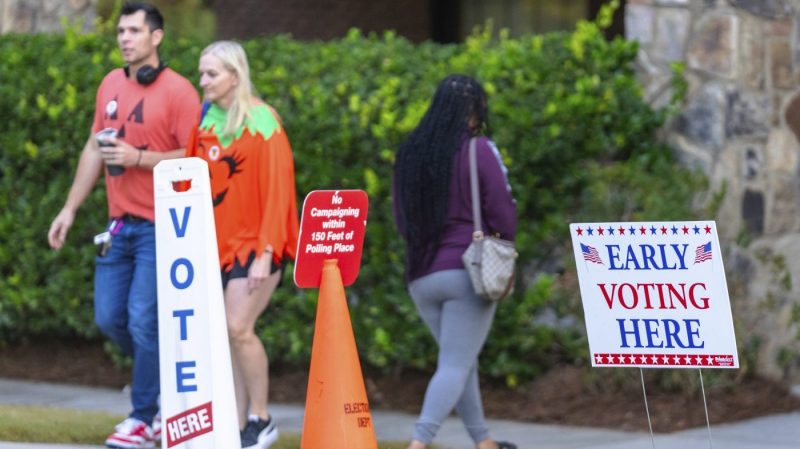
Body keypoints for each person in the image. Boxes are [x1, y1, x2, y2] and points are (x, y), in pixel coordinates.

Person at [46, 3, 200, 448]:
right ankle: (163, 387)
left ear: (157, 37)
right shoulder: (111, 84)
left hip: (161, 227)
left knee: (141, 320)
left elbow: (194, 156)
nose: (125, 37)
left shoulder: (179, 92)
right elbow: (94, 149)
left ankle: (143, 417)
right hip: (117, 227)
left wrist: (140, 159)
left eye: (134, 30)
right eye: (120, 30)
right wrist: (69, 209)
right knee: (109, 318)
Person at [392, 75, 518, 449]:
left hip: (421, 277)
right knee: (454, 365)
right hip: (466, 272)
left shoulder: (411, 153)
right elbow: (503, 213)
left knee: (460, 360)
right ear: (474, 113)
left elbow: (402, 221)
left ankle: (485, 442)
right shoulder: (478, 149)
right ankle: (418, 443)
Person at [185, 40, 299, 449]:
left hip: (256, 246)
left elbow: (278, 192)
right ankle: (236, 426)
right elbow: (189, 182)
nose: (204, 81)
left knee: (238, 328)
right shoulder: (204, 122)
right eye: (202, 73)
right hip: (213, 246)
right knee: (226, 336)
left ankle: (262, 417)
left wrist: (266, 254)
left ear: (235, 75)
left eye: (211, 74)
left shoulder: (263, 121)